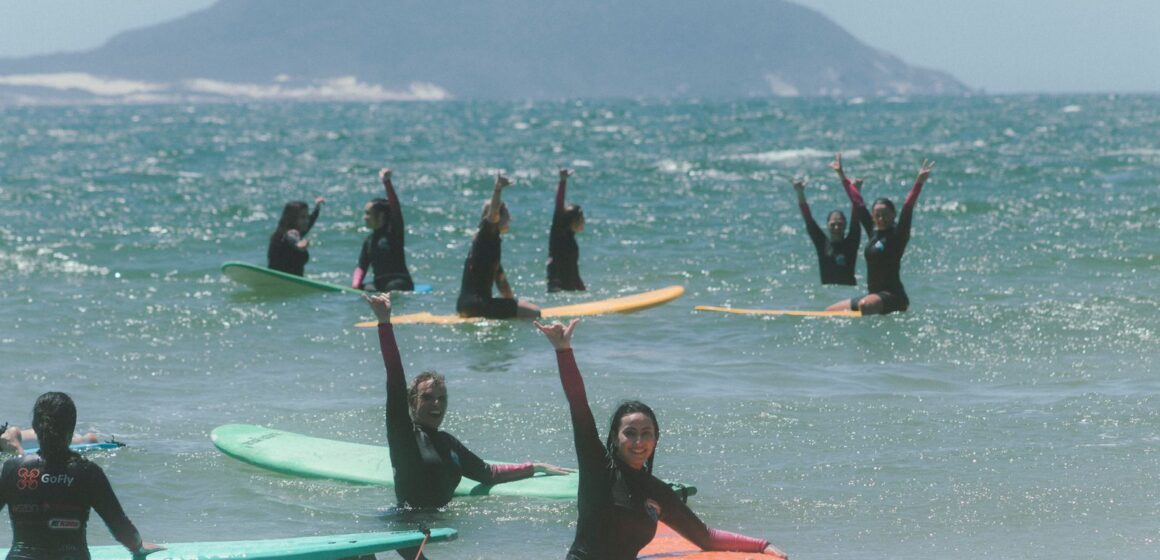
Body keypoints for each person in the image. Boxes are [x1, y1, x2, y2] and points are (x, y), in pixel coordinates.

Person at [535, 319, 789, 560]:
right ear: (615, 436)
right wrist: (563, 350)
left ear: (656, 439)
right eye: (630, 433)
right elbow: (578, 404)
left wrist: (762, 545)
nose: (638, 442)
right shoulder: (598, 468)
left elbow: (705, 537)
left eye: (646, 434)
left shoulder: (657, 491)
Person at [365, 293, 569, 557]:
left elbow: (488, 473)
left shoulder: (449, 444)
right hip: (407, 527)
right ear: (412, 401)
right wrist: (384, 322)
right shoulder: (404, 435)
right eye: (427, 397)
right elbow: (394, 377)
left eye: (442, 398)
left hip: (439, 529)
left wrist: (535, 467)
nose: (436, 403)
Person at [0, 392, 163, 559]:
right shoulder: (88, 472)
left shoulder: (12, 469)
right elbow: (119, 525)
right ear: (71, 429)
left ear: (35, 427)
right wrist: (138, 547)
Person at [825, 153, 935, 315]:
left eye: (885, 214)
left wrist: (918, 183)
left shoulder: (898, 234)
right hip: (873, 296)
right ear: (873, 217)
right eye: (877, 215)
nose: (881, 218)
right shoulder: (873, 231)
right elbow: (858, 202)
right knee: (830, 311)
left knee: (865, 305)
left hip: (894, 297)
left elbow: (908, 206)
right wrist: (842, 175)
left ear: (893, 215)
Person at [456, 173, 541, 318]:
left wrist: (512, 304)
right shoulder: (486, 234)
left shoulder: (488, 245)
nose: (511, 218)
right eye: (507, 214)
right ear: (498, 217)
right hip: (480, 306)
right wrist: (498, 189)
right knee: (535, 312)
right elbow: (493, 214)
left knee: (522, 308)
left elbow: (502, 283)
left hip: (466, 306)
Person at [792, 172, 862, 286]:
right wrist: (800, 192)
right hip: (828, 295)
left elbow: (856, 215)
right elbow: (808, 218)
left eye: (840, 224)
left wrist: (857, 190)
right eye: (833, 224)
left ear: (845, 225)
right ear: (827, 225)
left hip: (848, 293)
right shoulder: (822, 243)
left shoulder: (852, 242)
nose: (836, 227)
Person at [353, 168, 415, 292]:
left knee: (392, 288)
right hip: (379, 284)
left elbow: (395, 208)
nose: (365, 217)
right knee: (364, 290)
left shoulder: (393, 232)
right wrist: (356, 285)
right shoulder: (368, 241)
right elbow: (361, 266)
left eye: (368, 214)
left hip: (399, 282)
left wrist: (387, 182)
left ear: (381, 216)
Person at [547, 168, 587, 292]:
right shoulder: (559, 233)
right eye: (581, 218)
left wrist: (582, 289)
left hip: (569, 287)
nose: (584, 221)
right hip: (557, 287)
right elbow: (559, 204)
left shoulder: (571, 238)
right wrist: (563, 181)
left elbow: (574, 268)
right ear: (573, 221)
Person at [267, 196, 324, 276]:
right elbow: (292, 238)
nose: (306, 221)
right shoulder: (291, 233)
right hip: (284, 281)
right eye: (303, 217)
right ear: (292, 218)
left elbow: (312, 219)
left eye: (307, 217)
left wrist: (317, 205)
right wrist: (298, 245)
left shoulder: (282, 233)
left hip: (283, 280)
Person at [1, 423, 100, 456]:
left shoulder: (8, 437)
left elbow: (21, 461)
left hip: (14, 438)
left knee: (87, 440)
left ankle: (86, 439)